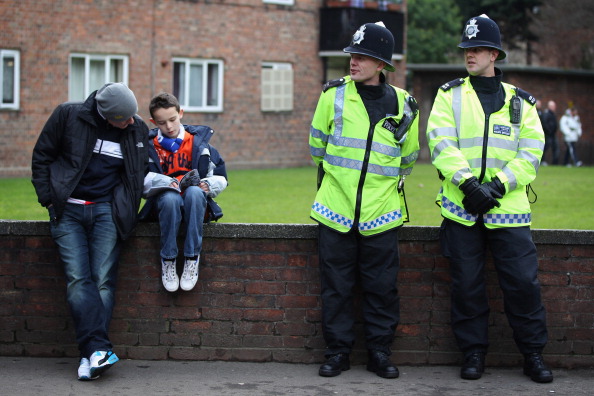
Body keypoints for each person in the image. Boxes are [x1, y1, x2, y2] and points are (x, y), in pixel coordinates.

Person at [426, 15, 553, 383]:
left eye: (478, 48)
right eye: (467, 48)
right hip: (462, 210)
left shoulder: (521, 102)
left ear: (495, 54)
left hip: (509, 211)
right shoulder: (448, 95)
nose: (470, 54)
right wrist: (469, 186)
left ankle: (533, 355)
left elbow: (531, 152)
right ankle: (473, 354)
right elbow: (440, 142)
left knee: (524, 286)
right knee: (466, 286)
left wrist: (496, 187)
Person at [309, 22, 419, 379]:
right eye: (352, 55)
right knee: (335, 289)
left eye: (362, 56)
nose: (353, 62)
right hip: (335, 209)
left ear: (382, 64)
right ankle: (338, 353)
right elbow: (317, 149)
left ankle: (379, 354)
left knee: (382, 289)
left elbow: (408, 159)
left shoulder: (406, 105)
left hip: (382, 213)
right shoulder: (333, 96)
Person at [31, 83, 149, 380]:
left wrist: (123, 208)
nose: (131, 122)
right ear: (105, 114)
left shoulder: (136, 129)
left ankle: (92, 355)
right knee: (77, 278)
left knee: (103, 281)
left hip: (106, 211)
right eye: (124, 118)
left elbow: (136, 174)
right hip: (67, 211)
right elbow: (42, 156)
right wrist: (49, 198)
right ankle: (97, 350)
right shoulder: (67, 116)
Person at [140, 92, 228, 292]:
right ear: (153, 121)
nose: (169, 127)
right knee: (170, 198)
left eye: (172, 119)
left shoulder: (199, 143)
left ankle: (191, 258)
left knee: (196, 193)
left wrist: (209, 185)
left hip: (194, 204)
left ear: (181, 113)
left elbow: (222, 176)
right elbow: (139, 182)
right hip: (164, 205)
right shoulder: (147, 147)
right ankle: (168, 260)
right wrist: (164, 182)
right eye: (162, 123)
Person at [541, 100, 559, 165]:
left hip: (553, 134)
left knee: (556, 148)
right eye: (553, 106)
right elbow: (544, 123)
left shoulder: (553, 114)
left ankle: (555, 163)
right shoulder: (546, 114)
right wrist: (549, 131)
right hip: (548, 135)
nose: (555, 107)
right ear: (550, 106)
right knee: (545, 148)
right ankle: (542, 161)